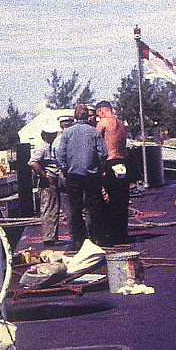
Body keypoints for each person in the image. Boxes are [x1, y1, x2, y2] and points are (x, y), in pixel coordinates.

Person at [56, 104, 107, 251]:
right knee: (95, 207)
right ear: (88, 117)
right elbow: (103, 153)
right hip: (92, 175)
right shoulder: (94, 132)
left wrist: (66, 168)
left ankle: (78, 240)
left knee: (75, 208)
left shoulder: (67, 133)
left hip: (73, 175)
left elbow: (60, 155)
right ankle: (96, 238)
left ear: (75, 117)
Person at [95, 100, 130, 245]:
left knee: (108, 200)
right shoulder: (121, 123)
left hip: (109, 163)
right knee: (122, 200)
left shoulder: (102, 123)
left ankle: (110, 234)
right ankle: (122, 233)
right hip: (123, 162)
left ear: (102, 111)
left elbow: (95, 142)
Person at [29, 123, 62, 245]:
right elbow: (33, 163)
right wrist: (44, 176)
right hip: (48, 181)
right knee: (49, 208)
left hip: (52, 179)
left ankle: (52, 236)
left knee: (53, 208)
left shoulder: (50, 146)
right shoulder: (43, 148)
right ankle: (49, 238)